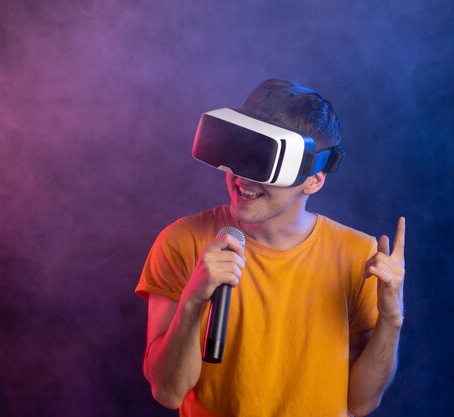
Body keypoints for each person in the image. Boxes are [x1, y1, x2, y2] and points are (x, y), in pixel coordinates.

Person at [135, 79, 406, 417]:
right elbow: (168, 392)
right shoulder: (182, 241)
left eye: (265, 161)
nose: (242, 177)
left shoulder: (360, 257)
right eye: (242, 152)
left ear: (314, 179)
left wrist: (391, 320)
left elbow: (362, 402)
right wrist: (193, 300)